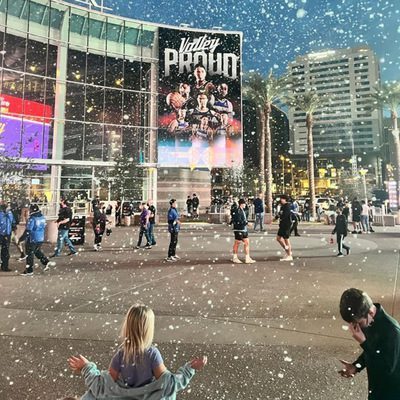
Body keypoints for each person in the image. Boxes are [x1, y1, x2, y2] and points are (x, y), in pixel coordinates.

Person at [67, 304, 207, 400]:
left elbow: (103, 387)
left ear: (127, 326)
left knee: (94, 394)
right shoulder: (152, 354)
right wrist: (190, 369)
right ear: (149, 329)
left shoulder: (121, 355)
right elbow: (169, 384)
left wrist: (86, 368)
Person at [338, 288, 400, 400]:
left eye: (358, 323)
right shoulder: (370, 321)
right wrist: (356, 366)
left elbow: (387, 368)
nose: (356, 327)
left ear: (370, 312)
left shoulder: (391, 330)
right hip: (377, 388)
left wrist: (364, 342)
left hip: (392, 392)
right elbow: (375, 350)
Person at [20, 204, 56, 276]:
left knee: (30, 254)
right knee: (36, 251)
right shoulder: (42, 217)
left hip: (32, 238)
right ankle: (45, 261)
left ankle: (29, 270)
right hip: (40, 238)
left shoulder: (32, 219)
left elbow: (28, 230)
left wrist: (22, 238)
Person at [231, 199, 256, 264]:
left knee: (247, 242)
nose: (245, 205)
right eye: (244, 204)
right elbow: (238, 220)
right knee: (237, 243)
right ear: (241, 204)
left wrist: (246, 223)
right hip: (239, 229)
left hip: (243, 229)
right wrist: (247, 223)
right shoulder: (238, 211)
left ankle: (247, 258)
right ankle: (235, 257)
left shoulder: (242, 210)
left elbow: (243, 219)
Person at [275, 195, 293, 262]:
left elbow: (284, 215)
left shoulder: (287, 206)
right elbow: (280, 213)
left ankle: (289, 254)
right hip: (282, 225)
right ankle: (287, 251)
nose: (280, 200)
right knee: (278, 238)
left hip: (286, 224)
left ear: (285, 199)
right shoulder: (283, 206)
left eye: (281, 199)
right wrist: (275, 218)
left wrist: (280, 218)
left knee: (286, 239)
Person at [0, 202, 15, 272]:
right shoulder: (1, 214)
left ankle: (4, 266)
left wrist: (8, 213)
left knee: (5, 251)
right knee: (5, 251)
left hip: (7, 234)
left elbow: (12, 221)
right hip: (1, 234)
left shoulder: (9, 214)